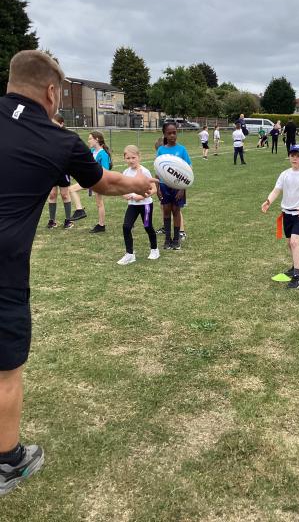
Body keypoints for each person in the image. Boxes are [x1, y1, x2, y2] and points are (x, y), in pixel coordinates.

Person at [0, 50, 154, 496]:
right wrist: (139, 182)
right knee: (6, 371)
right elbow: (103, 182)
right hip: (4, 269)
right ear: (52, 92)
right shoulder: (58, 140)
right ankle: (7, 462)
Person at [261, 144, 299, 289]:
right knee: (289, 243)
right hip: (287, 214)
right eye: (292, 155)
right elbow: (276, 190)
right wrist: (268, 201)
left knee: (294, 243)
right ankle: (295, 267)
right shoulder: (285, 174)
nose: (295, 158)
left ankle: (297, 277)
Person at [117, 145, 160, 265]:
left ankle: (154, 250)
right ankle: (130, 254)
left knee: (147, 226)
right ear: (124, 159)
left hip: (145, 205)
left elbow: (154, 189)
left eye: (133, 157)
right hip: (132, 205)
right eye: (128, 158)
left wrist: (141, 196)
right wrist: (124, 195)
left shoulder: (144, 172)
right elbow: (122, 189)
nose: (131, 160)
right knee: (126, 227)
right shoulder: (126, 172)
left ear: (139, 157)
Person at [156, 122, 192, 250]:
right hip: (164, 185)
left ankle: (176, 240)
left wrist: (182, 188)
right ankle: (167, 240)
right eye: (169, 133)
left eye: (174, 133)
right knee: (166, 211)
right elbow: (158, 170)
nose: (172, 135)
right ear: (164, 134)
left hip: (178, 187)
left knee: (176, 211)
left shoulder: (182, 149)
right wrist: (157, 187)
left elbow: (188, 170)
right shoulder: (161, 150)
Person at [69, 131, 112, 232]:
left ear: (97, 140)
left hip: (98, 181)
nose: (88, 141)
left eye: (90, 139)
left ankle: (101, 225)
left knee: (99, 203)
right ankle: (80, 210)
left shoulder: (103, 154)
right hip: (90, 180)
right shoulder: (91, 151)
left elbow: (106, 171)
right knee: (72, 189)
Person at [46, 113, 74, 229]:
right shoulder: (48, 136)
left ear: (62, 124)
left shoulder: (67, 136)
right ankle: (52, 221)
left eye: (55, 123)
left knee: (64, 194)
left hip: (63, 170)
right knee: (52, 194)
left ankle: (68, 220)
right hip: (51, 169)